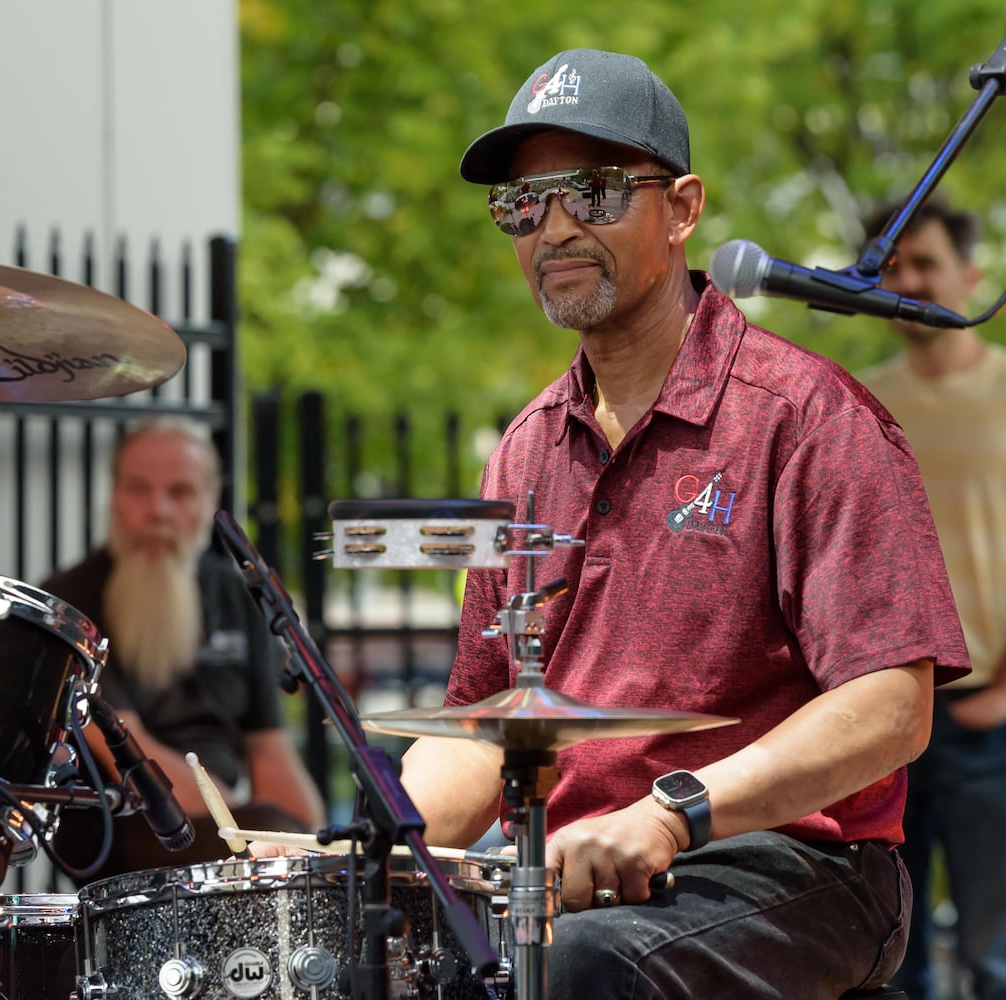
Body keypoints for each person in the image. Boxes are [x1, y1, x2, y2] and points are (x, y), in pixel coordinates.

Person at [396, 49, 970, 998]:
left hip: (788, 864)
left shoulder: (806, 414)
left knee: (575, 973)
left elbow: (892, 707)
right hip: (570, 882)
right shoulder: (524, 452)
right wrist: (369, 850)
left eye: (596, 190)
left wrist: (671, 815)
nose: (556, 226)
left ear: (685, 209)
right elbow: (488, 727)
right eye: (524, 203)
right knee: (364, 964)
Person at [858, 195, 1006, 1000]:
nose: (907, 280)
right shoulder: (855, 402)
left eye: (924, 262)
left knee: (1002, 959)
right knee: (892, 962)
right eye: (891, 265)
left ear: (972, 275)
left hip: (984, 714)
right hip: (882, 714)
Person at [44, 418, 324, 882]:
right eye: (138, 489)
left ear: (210, 501)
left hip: (233, 823)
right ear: (114, 496)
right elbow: (126, 753)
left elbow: (269, 749)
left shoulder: (236, 594)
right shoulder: (69, 605)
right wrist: (256, 831)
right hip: (129, 823)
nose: (157, 510)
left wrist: (319, 843)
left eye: (180, 492)